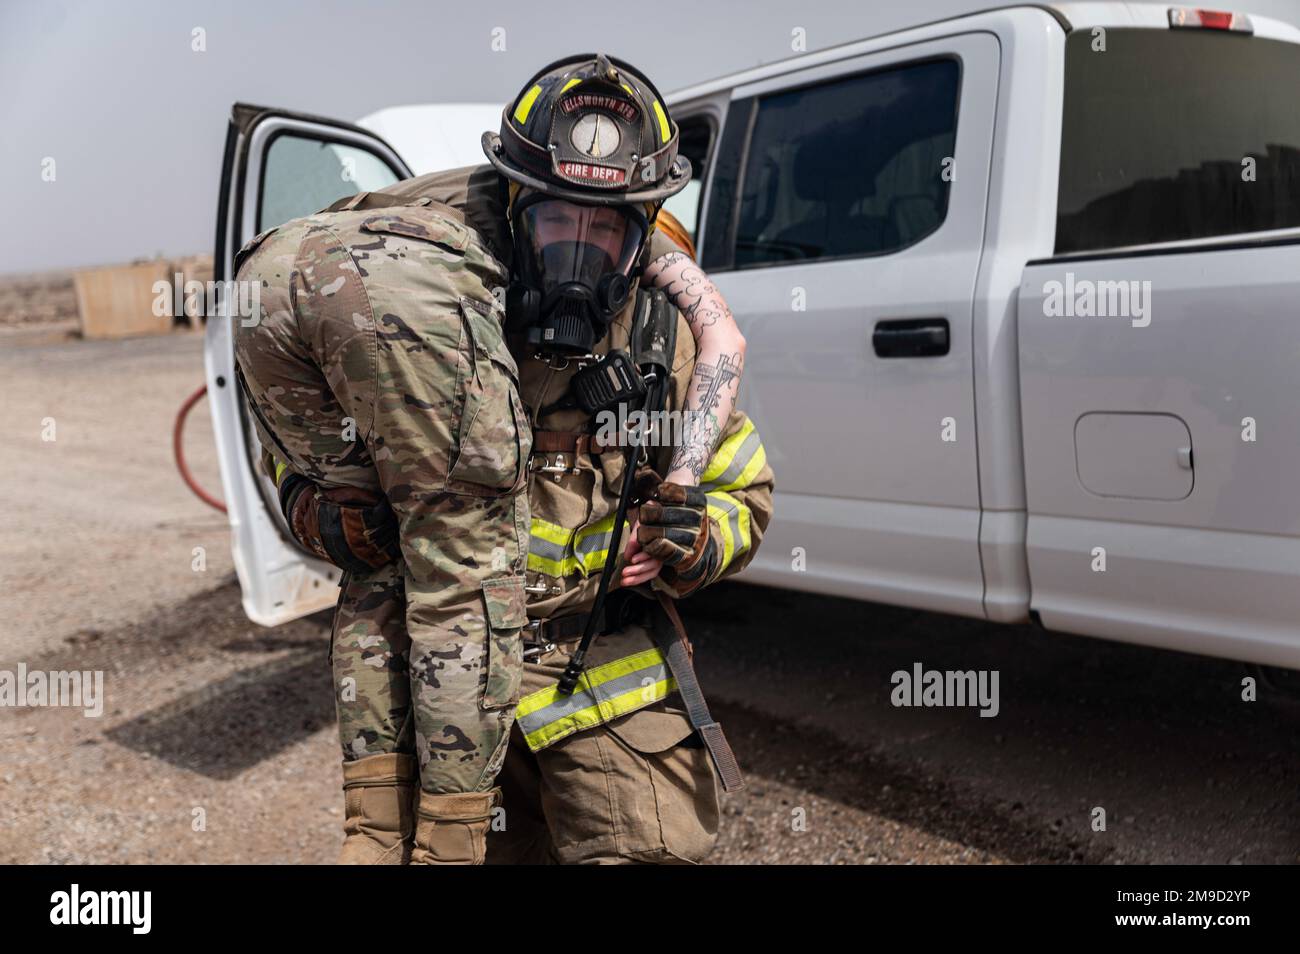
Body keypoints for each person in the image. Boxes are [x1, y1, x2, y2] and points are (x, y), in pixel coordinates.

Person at [276, 53, 774, 863]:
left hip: (605, 690)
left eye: (605, 228)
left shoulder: (667, 343)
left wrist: (697, 535)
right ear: (515, 210)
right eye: (557, 221)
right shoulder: (421, 329)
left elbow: (744, 491)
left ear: (641, 231)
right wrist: (325, 516)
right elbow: (304, 461)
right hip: (442, 683)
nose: (579, 252)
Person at [233, 178, 532, 864]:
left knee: (373, 555)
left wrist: (301, 497)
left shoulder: (458, 184)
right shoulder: (592, 210)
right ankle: (447, 850)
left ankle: (370, 838)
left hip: (265, 277)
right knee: (462, 576)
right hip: (380, 290)